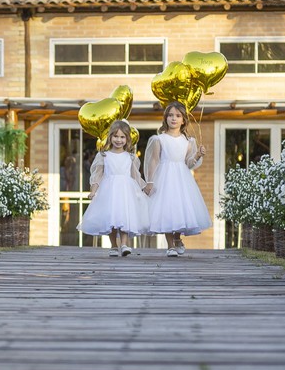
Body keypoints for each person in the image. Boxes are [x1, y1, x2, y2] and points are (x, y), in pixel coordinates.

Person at [144, 101, 210, 257]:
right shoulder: (159, 139)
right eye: (170, 115)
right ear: (165, 118)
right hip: (165, 176)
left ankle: (177, 238)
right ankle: (170, 245)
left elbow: (188, 163)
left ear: (183, 120)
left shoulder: (187, 142)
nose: (174, 118)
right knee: (167, 208)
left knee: (180, 207)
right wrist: (150, 180)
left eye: (178, 116)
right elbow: (154, 160)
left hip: (181, 178)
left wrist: (198, 154)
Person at [78, 120, 151, 257]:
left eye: (122, 137)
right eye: (116, 136)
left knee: (124, 216)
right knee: (111, 218)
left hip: (126, 190)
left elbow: (135, 175)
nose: (119, 140)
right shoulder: (104, 155)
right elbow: (98, 175)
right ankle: (113, 245)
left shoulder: (130, 157)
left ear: (127, 139)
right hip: (109, 189)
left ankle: (124, 244)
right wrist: (93, 191)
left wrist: (144, 187)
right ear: (110, 137)